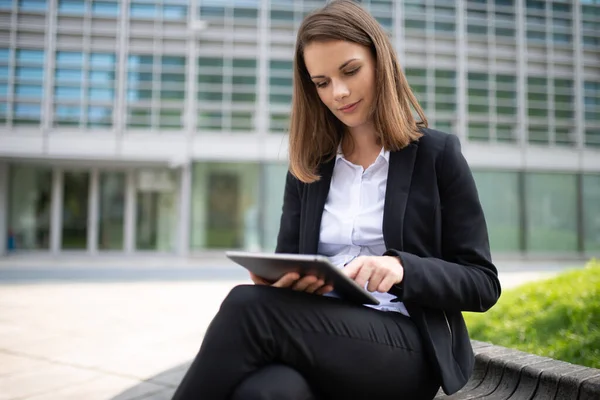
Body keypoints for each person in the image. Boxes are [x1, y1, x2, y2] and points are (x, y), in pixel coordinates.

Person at [172, 1, 501, 399]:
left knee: (247, 307)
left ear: (380, 61)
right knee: (269, 390)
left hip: (403, 346)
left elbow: (482, 284)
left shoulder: (436, 154)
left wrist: (401, 269)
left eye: (350, 71)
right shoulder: (310, 166)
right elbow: (288, 262)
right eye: (322, 82)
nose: (338, 93)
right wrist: (280, 282)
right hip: (320, 335)